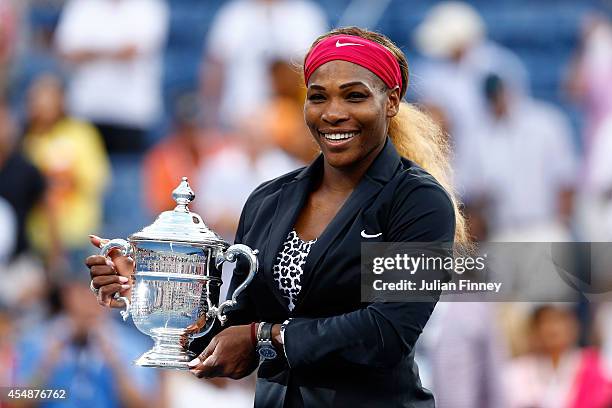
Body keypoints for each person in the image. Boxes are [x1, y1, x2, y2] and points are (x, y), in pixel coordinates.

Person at [86, 27, 468, 407]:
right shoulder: (269, 200)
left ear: (391, 102)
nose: (333, 113)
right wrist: (156, 292)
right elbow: (227, 334)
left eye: (354, 96)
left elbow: (387, 332)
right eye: (318, 97)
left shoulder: (418, 200)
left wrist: (263, 336)